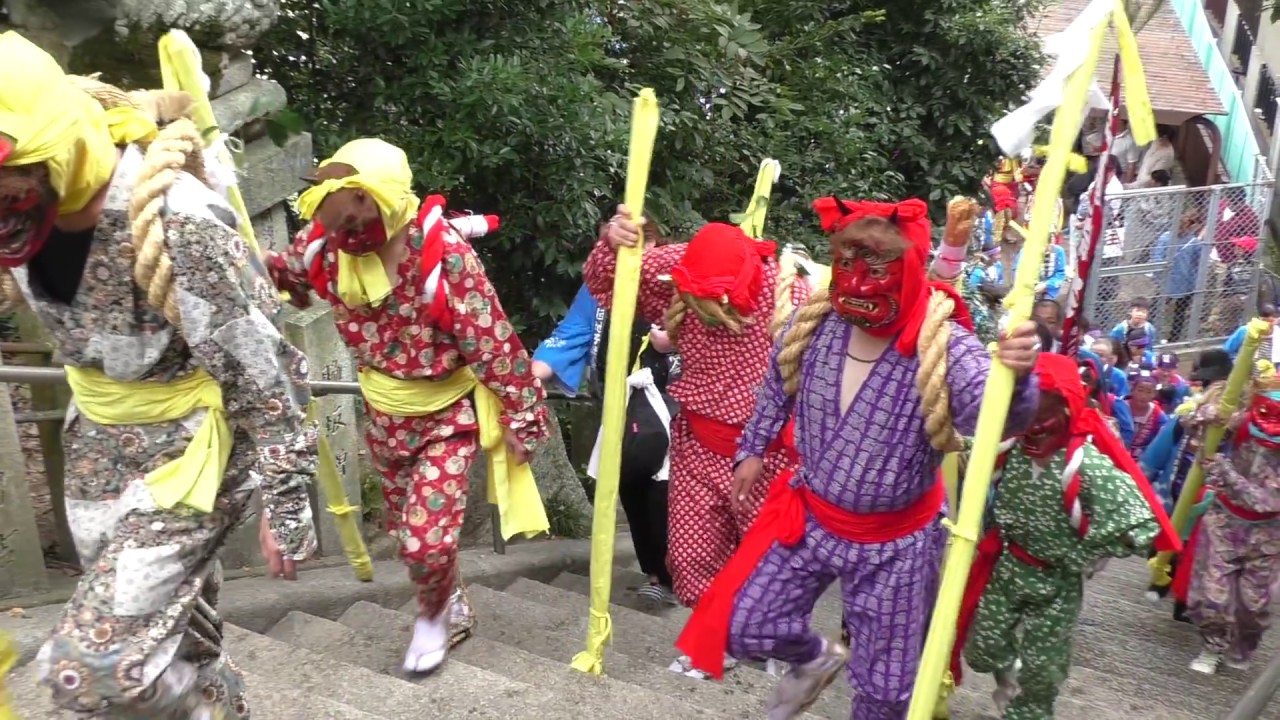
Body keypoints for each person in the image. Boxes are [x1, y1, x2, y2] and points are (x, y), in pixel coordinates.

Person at [0, 33, 316, 717]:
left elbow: (268, 367)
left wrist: (287, 502)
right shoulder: (24, 213)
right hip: (96, 447)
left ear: (50, 148)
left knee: (89, 666)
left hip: (188, 455)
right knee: (178, 641)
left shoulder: (177, 218)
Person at [674, 196, 1042, 720]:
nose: (860, 282)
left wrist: (1018, 376)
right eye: (847, 265)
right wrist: (754, 447)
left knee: (887, 692)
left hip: (897, 542)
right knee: (746, 624)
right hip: (813, 516)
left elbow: (997, 422)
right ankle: (815, 660)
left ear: (909, 269)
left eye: (876, 268)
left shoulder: (945, 347)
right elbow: (780, 381)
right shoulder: (818, 323)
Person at [267, 139, 548, 674]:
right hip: (383, 415)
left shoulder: (441, 255)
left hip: (448, 416)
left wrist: (522, 415)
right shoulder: (323, 247)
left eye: (359, 213)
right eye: (337, 215)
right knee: (412, 533)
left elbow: (492, 341)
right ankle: (452, 595)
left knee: (425, 541)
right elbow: (289, 277)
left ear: (389, 201)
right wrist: (253, 266)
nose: (348, 228)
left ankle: (434, 612)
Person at [586, 207, 811, 678]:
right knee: (691, 554)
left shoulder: (790, 293)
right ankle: (712, 639)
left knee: (767, 560)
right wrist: (615, 241)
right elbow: (608, 284)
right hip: (699, 442)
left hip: (768, 453)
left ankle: (769, 643)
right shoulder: (675, 266)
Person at [955, 354, 1177, 720]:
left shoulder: (1084, 462)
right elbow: (964, 445)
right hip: (1008, 566)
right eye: (1026, 414)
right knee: (982, 649)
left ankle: (1027, 710)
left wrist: (1086, 552)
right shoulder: (1009, 447)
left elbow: (1141, 520)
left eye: (1045, 414)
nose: (1034, 426)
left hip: (1056, 581)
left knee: (1043, 670)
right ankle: (1009, 679)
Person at [1187, 360, 1280, 674]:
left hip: (1268, 532)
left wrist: (1225, 470)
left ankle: (1242, 646)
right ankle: (1211, 645)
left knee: (1254, 607)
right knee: (1213, 595)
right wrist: (1208, 415)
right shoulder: (1243, 423)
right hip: (1225, 522)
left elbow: (1265, 499)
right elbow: (1191, 423)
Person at [1141, 348, 1235, 606]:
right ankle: (1164, 580)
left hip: (1212, 499)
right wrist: (1141, 483)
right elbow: (1155, 457)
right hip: (1175, 492)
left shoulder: (1236, 428)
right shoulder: (1185, 419)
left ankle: (1185, 598)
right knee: (1170, 541)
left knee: (1198, 549)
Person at [1153, 209, 1207, 342]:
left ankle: (1152, 334)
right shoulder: (1193, 242)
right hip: (1187, 281)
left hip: (1167, 281)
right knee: (1179, 313)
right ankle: (1173, 339)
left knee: (1156, 308)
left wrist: (1157, 276)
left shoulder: (1165, 238)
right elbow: (1198, 261)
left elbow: (1157, 259)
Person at [1127, 364, 1168, 460]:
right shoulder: (1119, 406)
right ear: (1132, 390)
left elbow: (1163, 439)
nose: (1144, 396)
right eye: (1140, 390)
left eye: (1149, 392)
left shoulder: (1158, 415)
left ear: (1154, 394)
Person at [1110, 117, 1141, 184]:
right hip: (1106, 170)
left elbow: (1132, 165)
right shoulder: (1109, 134)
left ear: (1124, 124)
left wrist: (1127, 183)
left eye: (1118, 120)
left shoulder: (1130, 141)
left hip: (1120, 174)